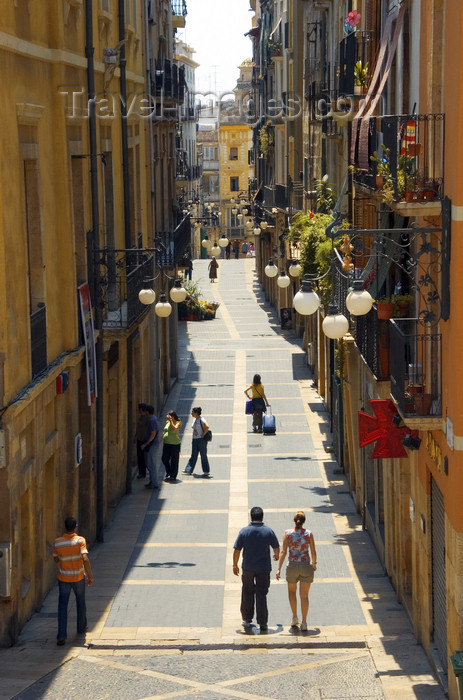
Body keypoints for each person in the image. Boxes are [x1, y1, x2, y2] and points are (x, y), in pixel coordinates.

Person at [233, 506, 280, 632]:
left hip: (248, 568)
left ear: (251, 517)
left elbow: (237, 549)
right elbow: (276, 547)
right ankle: (263, 623)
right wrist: (276, 555)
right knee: (262, 594)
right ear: (262, 517)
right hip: (264, 569)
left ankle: (247, 618)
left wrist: (235, 564)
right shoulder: (268, 531)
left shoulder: (244, 531)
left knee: (247, 591)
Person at [53, 516, 94, 646]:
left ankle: (61, 636)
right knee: (81, 602)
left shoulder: (57, 542)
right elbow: (85, 558)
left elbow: (56, 559)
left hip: (63, 578)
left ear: (65, 527)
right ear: (75, 527)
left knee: (62, 606)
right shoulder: (80, 540)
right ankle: (81, 628)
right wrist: (90, 576)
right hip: (78, 577)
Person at [276, 510, 317, 631]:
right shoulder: (309, 534)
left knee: (292, 592)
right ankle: (304, 622)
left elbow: (283, 552)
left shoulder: (287, 533)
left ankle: (295, 617)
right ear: (304, 522)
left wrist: (279, 568)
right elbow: (313, 552)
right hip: (305, 565)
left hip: (292, 566)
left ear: (294, 521)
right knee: (304, 596)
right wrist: (314, 564)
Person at [182, 407, 211, 477]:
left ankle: (206, 471)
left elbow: (207, 427)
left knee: (203, 455)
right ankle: (189, 469)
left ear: (196, 413)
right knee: (193, 455)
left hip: (201, 440)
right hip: (195, 440)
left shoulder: (202, 420)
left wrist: (203, 435)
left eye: (193, 412)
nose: (191, 413)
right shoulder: (195, 420)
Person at [141, 404, 160, 489]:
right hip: (152, 444)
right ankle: (152, 481)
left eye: (144, 411)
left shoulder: (152, 420)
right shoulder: (153, 419)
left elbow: (153, 433)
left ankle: (154, 482)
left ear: (147, 412)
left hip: (152, 445)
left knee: (151, 464)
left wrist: (146, 444)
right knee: (150, 463)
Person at [162, 409, 182, 482]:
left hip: (175, 444)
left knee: (174, 460)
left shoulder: (178, 422)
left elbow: (174, 429)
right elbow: (165, 430)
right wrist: (161, 438)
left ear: (173, 416)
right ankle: (169, 471)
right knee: (164, 459)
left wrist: (171, 421)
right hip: (167, 443)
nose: (167, 416)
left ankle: (173, 476)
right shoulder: (167, 422)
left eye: (169, 416)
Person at [134, 403, 149, 479]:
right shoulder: (140, 417)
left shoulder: (147, 418)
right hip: (139, 439)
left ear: (141, 410)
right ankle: (141, 472)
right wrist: (136, 436)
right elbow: (138, 428)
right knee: (140, 457)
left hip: (144, 440)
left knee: (143, 457)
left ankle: (143, 472)